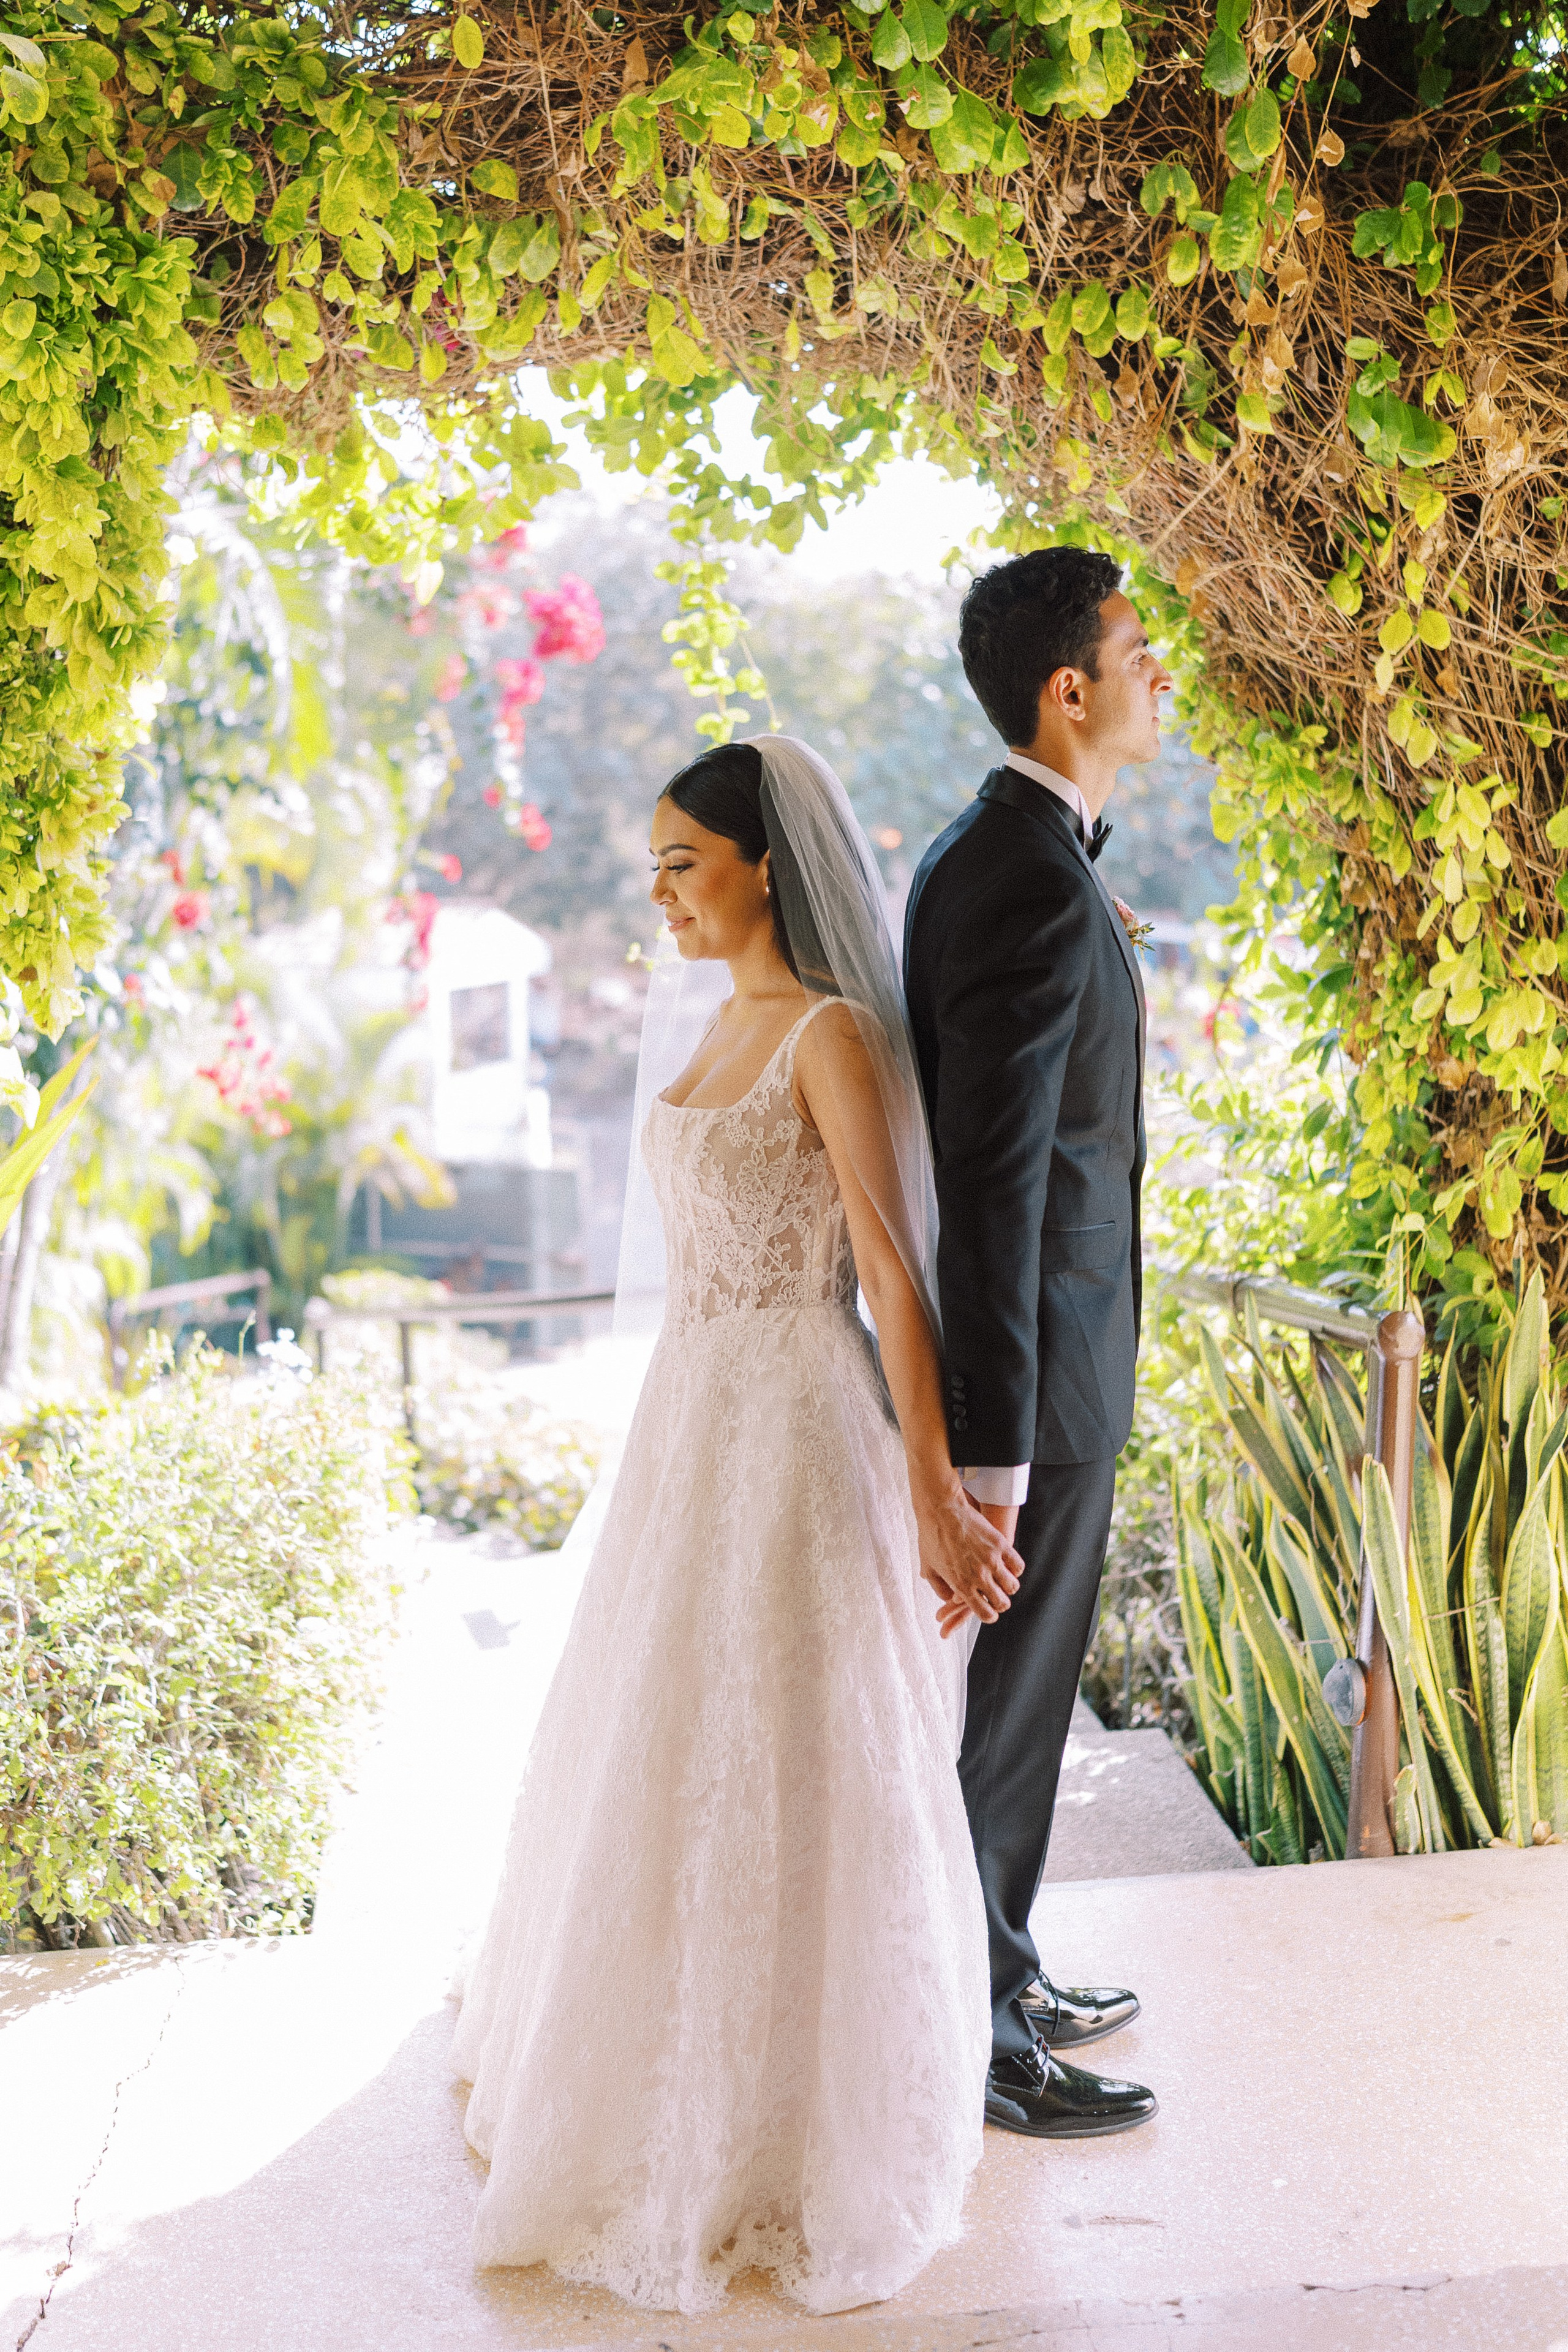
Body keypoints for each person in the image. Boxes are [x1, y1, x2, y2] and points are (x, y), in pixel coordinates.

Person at [453, 735, 1018, 2315]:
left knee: (794, 1758)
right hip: (690, 1427)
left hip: (801, 1428)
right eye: (654, 867)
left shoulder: (832, 1035)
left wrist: (938, 1494)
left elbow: (892, 1279)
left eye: (684, 864)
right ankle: (646, 2077)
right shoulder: (715, 1021)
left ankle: (791, 2127)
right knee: (666, 1747)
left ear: (767, 864)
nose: (662, 896)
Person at [903, 546, 1172, 2139]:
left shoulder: (1018, 851)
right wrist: (989, 1450)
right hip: (1038, 1386)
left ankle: (1001, 1961)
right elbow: (993, 1186)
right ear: (1068, 690)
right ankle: (982, 2038)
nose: (1160, 677)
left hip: (1061, 1366)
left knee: (1020, 1710)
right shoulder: (1018, 873)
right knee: (1002, 1722)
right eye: (1138, 654)